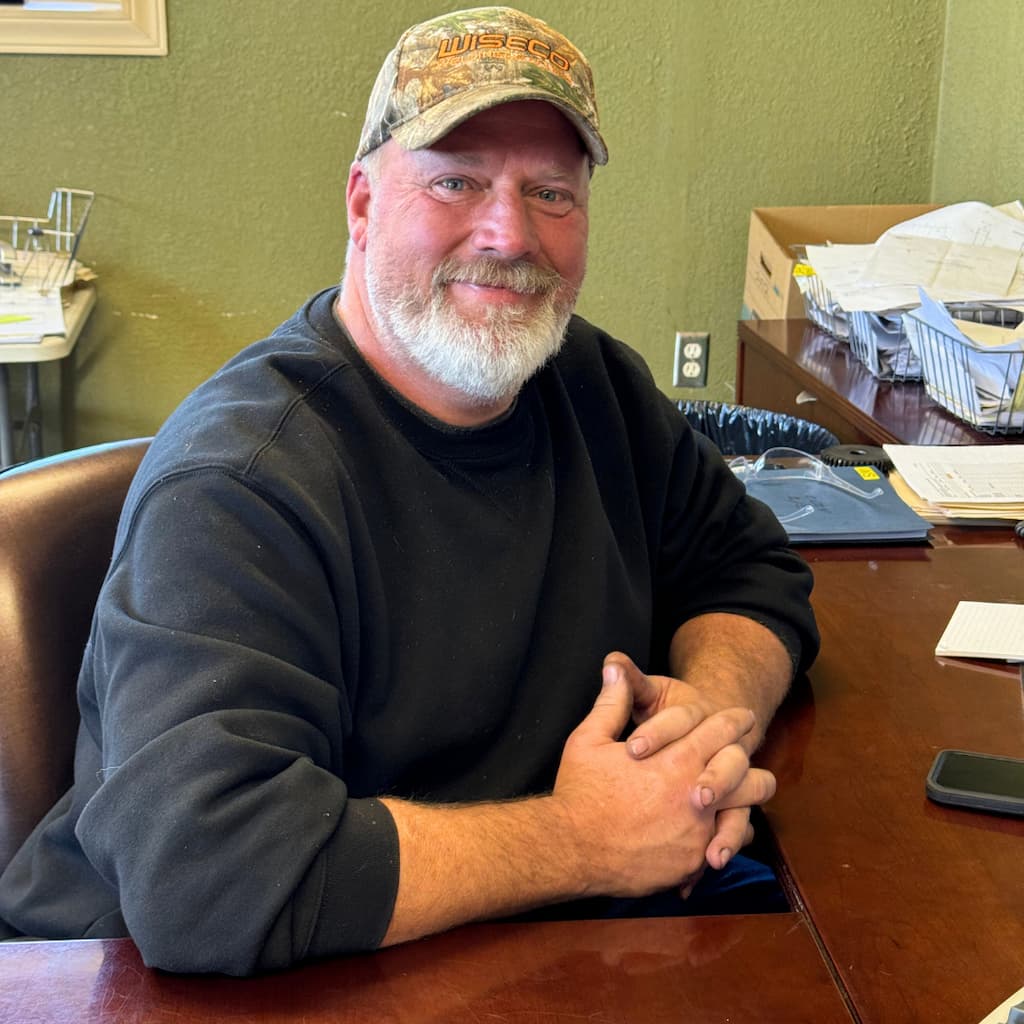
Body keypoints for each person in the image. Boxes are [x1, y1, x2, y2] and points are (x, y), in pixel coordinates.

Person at [0, 6, 818, 975]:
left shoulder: (591, 384)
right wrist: (585, 838)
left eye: (552, 192)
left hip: (507, 954)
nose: (509, 233)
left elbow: (748, 569)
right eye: (456, 180)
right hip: (177, 985)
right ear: (359, 203)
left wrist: (704, 726)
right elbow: (206, 879)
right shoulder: (240, 486)